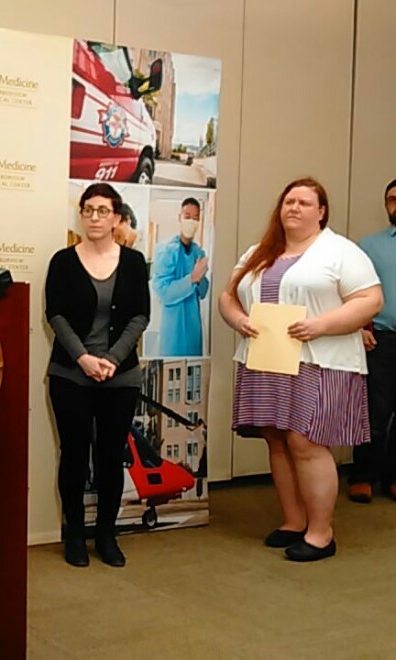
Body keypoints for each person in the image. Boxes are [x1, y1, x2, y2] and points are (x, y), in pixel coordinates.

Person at [218, 177, 382, 562]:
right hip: (266, 356)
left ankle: (321, 533)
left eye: (304, 203)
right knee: (276, 437)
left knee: (305, 441)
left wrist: (322, 325)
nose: (294, 208)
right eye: (288, 201)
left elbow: (371, 300)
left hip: (319, 359)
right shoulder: (260, 251)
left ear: (321, 212)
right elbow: (228, 295)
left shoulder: (342, 252)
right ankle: (293, 521)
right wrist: (238, 319)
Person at [45, 183, 150, 568]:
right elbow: (55, 314)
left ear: (117, 218)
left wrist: (113, 358)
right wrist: (85, 359)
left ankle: (107, 534)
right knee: (73, 456)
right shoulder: (62, 261)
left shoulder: (135, 263)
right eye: (88, 210)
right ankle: (74, 534)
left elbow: (140, 315)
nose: (93, 217)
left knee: (109, 458)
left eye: (102, 211)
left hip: (120, 378)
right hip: (71, 375)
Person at [349, 178, 396, 503]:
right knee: (373, 412)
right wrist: (361, 327)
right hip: (380, 339)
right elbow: (356, 291)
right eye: (393, 198)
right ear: (386, 205)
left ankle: (393, 478)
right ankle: (362, 475)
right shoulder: (369, 245)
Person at [151, 197, 209, 356]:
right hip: (173, 327)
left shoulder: (199, 252)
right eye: (187, 216)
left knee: (193, 374)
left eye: (196, 218)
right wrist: (191, 279)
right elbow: (163, 292)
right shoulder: (166, 251)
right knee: (172, 373)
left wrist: (201, 277)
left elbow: (203, 292)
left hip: (193, 326)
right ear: (180, 217)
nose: (191, 221)